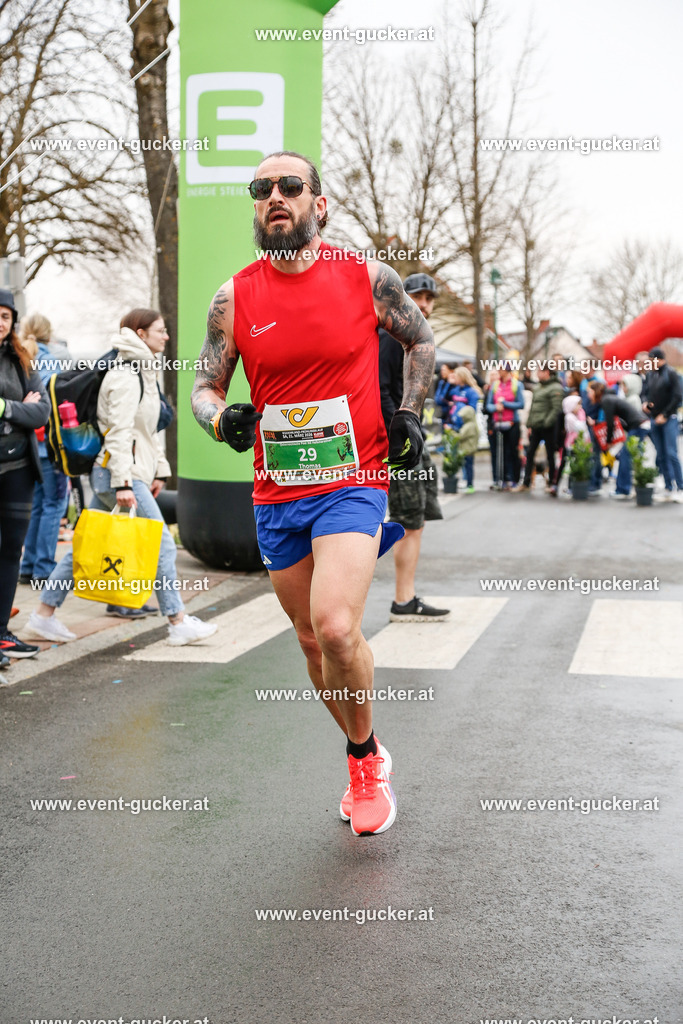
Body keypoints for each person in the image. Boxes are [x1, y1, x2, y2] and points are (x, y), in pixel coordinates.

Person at [190, 150, 435, 837]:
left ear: (317, 205)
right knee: (307, 641)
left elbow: (420, 340)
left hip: (352, 480)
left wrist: (410, 413)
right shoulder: (234, 296)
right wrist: (221, 420)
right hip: (276, 490)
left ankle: (362, 762)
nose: (274, 196)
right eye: (261, 188)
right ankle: (367, 743)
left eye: (289, 186)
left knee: (335, 625)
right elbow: (203, 387)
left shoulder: (363, 276)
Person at [27, 309, 218, 645]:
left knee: (86, 546)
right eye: (161, 330)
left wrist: (158, 471)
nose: (167, 336)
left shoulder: (143, 370)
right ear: (141, 334)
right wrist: (124, 484)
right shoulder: (125, 373)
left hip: (126, 473)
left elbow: (146, 430)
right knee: (160, 542)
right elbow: (118, 432)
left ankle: (42, 615)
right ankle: (177, 621)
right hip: (117, 474)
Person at [378, 272, 449, 622]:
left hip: (414, 441)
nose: (423, 303)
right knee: (407, 521)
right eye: (417, 296)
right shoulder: (392, 335)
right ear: (402, 297)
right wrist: (400, 435)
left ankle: (406, 597)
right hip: (400, 444)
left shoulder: (413, 336)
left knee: (416, 520)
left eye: (429, 298)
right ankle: (402, 600)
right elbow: (382, 389)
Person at [0, 289, 49, 664]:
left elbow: (41, 413)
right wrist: (17, 408)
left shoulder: (21, 361)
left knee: (10, 553)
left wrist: (6, 410)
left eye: (5, 316)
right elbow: (26, 411)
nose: (1, 323)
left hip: (18, 470)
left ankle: (1, 634)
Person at [17, 314, 70, 586]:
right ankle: (44, 568)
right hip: (50, 447)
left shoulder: (20, 359)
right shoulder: (51, 359)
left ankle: (28, 566)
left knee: (37, 505)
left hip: (27, 447)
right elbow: (54, 403)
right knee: (54, 504)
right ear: (49, 334)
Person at [586, 380, 649, 499]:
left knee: (626, 457)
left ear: (596, 391)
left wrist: (608, 441)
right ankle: (626, 488)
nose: (588, 395)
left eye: (590, 392)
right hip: (639, 425)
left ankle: (623, 490)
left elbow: (610, 424)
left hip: (638, 426)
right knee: (629, 456)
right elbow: (617, 422)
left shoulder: (606, 400)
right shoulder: (609, 399)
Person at [512, 364, 564, 493]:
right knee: (530, 453)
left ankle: (552, 483)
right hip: (536, 427)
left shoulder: (556, 388)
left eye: (539, 371)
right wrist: (530, 423)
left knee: (550, 455)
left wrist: (547, 423)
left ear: (546, 372)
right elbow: (533, 408)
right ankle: (526, 482)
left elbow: (556, 409)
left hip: (548, 427)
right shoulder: (538, 387)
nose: (537, 374)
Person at [642, 346, 683, 500]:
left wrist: (665, 415)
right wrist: (645, 403)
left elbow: (678, 396)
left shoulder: (671, 374)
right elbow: (645, 393)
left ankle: (680, 487)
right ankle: (667, 487)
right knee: (660, 454)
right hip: (654, 419)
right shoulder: (650, 375)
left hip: (669, 419)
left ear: (660, 359)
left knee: (671, 453)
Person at [485, 362, 524, 489]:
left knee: (511, 451)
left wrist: (506, 404)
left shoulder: (516, 385)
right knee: (499, 452)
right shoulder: (495, 385)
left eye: (501, 369)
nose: (499, 371)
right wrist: (496, 407)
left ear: (507, 370)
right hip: (498, 423)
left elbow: (521, 404)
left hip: (512, 423)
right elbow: (488, 406)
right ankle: (498, 479)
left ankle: (512, 478)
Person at [449, 404, 478, 491]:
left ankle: (469, 485)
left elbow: (460, 436)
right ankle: (468, 484)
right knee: (468, 468)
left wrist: (450, 432)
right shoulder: (473, 424)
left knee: (468, 468)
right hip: (469, 450)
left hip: (467, 451)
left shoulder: (468, 426)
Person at [446, 366, 481, 430]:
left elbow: (472, 411)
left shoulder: (472, 392)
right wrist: (449, 383)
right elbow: (444, 397)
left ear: (461, 377)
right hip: (453, 423)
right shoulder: (456, 390)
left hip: (465, 426)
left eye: (455, 376)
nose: (454, 378)